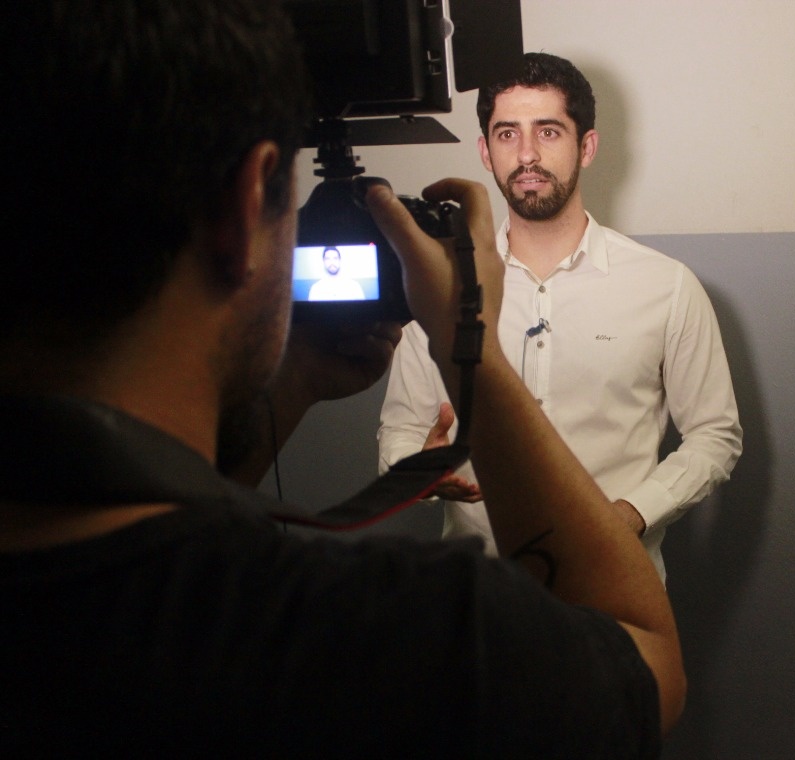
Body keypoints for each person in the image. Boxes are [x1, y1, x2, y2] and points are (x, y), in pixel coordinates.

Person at [0, 2, 683, 756]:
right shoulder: (395, 641)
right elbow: (646, 665)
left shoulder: (665, 286)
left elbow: (141, 509)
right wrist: (474, 350)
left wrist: (296, 381)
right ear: (242, 211)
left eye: (547, 131)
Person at [378, 53, 743, 581]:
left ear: (586, 147)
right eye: (507, 134)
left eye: (548, 132)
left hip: (616, 587)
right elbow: (401, 429)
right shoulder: (438, 287)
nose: (527, 154)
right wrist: (415, 471)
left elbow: (715, 434)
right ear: (485, 152)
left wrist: (631, 515)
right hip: (477, 592)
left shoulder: (666, 287)